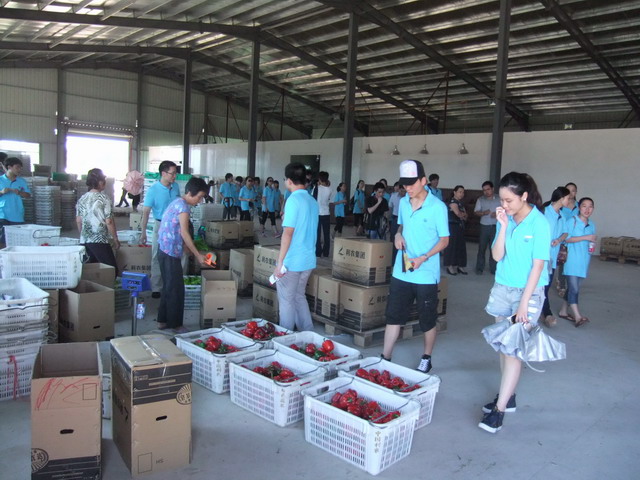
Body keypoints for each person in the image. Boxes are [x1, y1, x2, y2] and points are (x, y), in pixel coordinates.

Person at [478, 172, 550, 434]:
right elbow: (497, 256)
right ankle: (508, 397)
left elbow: (537, 267)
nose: (504, 204)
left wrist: (524, 304)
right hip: (502, 288)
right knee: (502, 347)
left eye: (509, 200)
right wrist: (503, 226)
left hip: (527, 293)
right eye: (502, 200)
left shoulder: (539, 223)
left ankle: (499, 411)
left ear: (524, 196)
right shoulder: (505, 218)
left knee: (512, 350)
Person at [382, 160, 449, 373]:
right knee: (394, 316)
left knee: (427, 319)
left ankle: (426, 357)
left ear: (423, 181)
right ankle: (385, 357)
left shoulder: (437, 207)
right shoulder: (403, 202)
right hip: (401, 271)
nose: (408, 188)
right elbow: (401, 225)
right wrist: (397, 235)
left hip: (425, 274)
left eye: (412, 183)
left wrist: (424, 257)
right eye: (405, 184)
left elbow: (444, 240)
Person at [156, 177, 209, 332]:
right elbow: (185, 233)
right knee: (176, 289)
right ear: (190, 193)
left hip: (164, 250)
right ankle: (175, 324)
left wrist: (186, 248)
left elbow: (178, 231)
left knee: (169, 286)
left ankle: (162, 320)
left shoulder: (176, 202)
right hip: (170, 252)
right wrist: (198, 255)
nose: (199, 201)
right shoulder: (183, 207)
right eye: (199, 197)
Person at [273, 163, 319, 331]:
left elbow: (288, 233)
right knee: (299, 296)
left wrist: (280, 263)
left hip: (292, 261)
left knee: (286, 300)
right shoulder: (312, 200)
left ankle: (285, 337)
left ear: (289, 181)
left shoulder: (293, 200)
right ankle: (309, 334)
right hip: (308, 259)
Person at [140, 161, 181, 298]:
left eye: (175, 173)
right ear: (163, 173)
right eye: (172, 173)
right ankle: (156, 287)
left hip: (175, 226)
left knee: (178, 254)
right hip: (160, 225)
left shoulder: (175, 187)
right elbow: (146, 212)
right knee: (157, 255)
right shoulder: (153, 190)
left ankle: (175, 284)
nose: (175, 176)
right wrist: (143, 232)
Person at [558, 197, 596, 328]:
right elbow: (566, 239)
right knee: (574, 289)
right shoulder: (572, 221)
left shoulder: (592, 225)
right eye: (584, 206)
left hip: (584, 261)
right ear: (579, 207)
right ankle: (578, 316)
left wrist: (591, 243)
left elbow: (591, 241)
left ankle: (563, 311)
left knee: (573, 288)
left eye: (590, 207)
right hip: (572, 260)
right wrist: (586, 237)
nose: (587, 209)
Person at [76, 168, 120, 271]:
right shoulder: (104, 199)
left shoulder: (82, 198)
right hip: (99, 241)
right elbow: (109, 221)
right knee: (111, 270)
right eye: (103, 180)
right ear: (100, 182)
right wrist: (115, 239)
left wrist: (83, 235)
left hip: (85, 241)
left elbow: (78, 220)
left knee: (89, 270)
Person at [541, 186, 571, 327]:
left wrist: (558, 240)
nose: (569, 201)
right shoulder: (544, 212)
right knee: (540, 285)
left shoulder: (562, 215)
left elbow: (566, 232)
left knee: (546, 286)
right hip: (541, 256)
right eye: (567, 198)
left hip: (552, 258)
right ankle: (546, 313)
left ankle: (542, 312)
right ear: (561, 198)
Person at [0, 157, 31, 246]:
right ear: (9, 167)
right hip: (2, 214)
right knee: (2, 240)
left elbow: (28, 195)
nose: (19, 170)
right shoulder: (0, 180)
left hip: (17, 214)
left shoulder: (21, 181)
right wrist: (1, 192)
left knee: (16, 240)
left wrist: (20, 192)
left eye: (20, 168)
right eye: (17, 167)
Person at [474, 181, 501, 275]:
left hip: (496, 226)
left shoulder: (499, 199)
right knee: (482, 248)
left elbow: (505, 210)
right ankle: (479, 268)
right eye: (484, 190)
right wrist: (483, 213)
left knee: (494, 248)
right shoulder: (480, 199)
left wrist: (497, 214)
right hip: (484, 226)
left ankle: (494, 268)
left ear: (492, 189)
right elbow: (476, 212)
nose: (486, 192)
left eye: (488, 189)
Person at [557, 182, 578, 297]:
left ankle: (571, 285)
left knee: (572, 262)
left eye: (573, 190)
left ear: (576, 192)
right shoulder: (561, 206)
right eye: (568, 190)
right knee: (562, 261)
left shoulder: (579, 206)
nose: (570, 193)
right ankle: (562, 285)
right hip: (562, 238)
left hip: (575, 239)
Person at [444, 185, 468, 275]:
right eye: (460, 192)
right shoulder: (453, 202)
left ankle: (460, 266)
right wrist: (463, 215)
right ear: (454, 192)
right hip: (452, 227)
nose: (461, 194)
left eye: (463, 192)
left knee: (460, 246)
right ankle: (450, 266)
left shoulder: (460, 203)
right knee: (452, 246)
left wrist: (463, 215)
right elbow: (458, 214)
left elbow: (466, 216)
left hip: (460, 226)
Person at [315, 171, 332, 257]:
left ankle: (318, 252)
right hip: (326, 213)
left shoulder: (317, 188)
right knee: (326, 234)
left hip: (318, 213)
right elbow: (328, 199)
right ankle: (326, 252)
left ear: (319, 179)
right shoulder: (330, 189)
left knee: (317, 234)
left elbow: (313, 199)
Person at [388, 181, 405, 264]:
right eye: (401, 190)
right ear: (399, 189)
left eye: (404, 191)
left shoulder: (409, 198)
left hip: (405, 220)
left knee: (404, 239)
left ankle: (403, 260)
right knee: (393, 238)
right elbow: (390, 207)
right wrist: (388, 220)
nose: (402, 193)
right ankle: (393, 260)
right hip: (395, 219)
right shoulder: (394, 196)